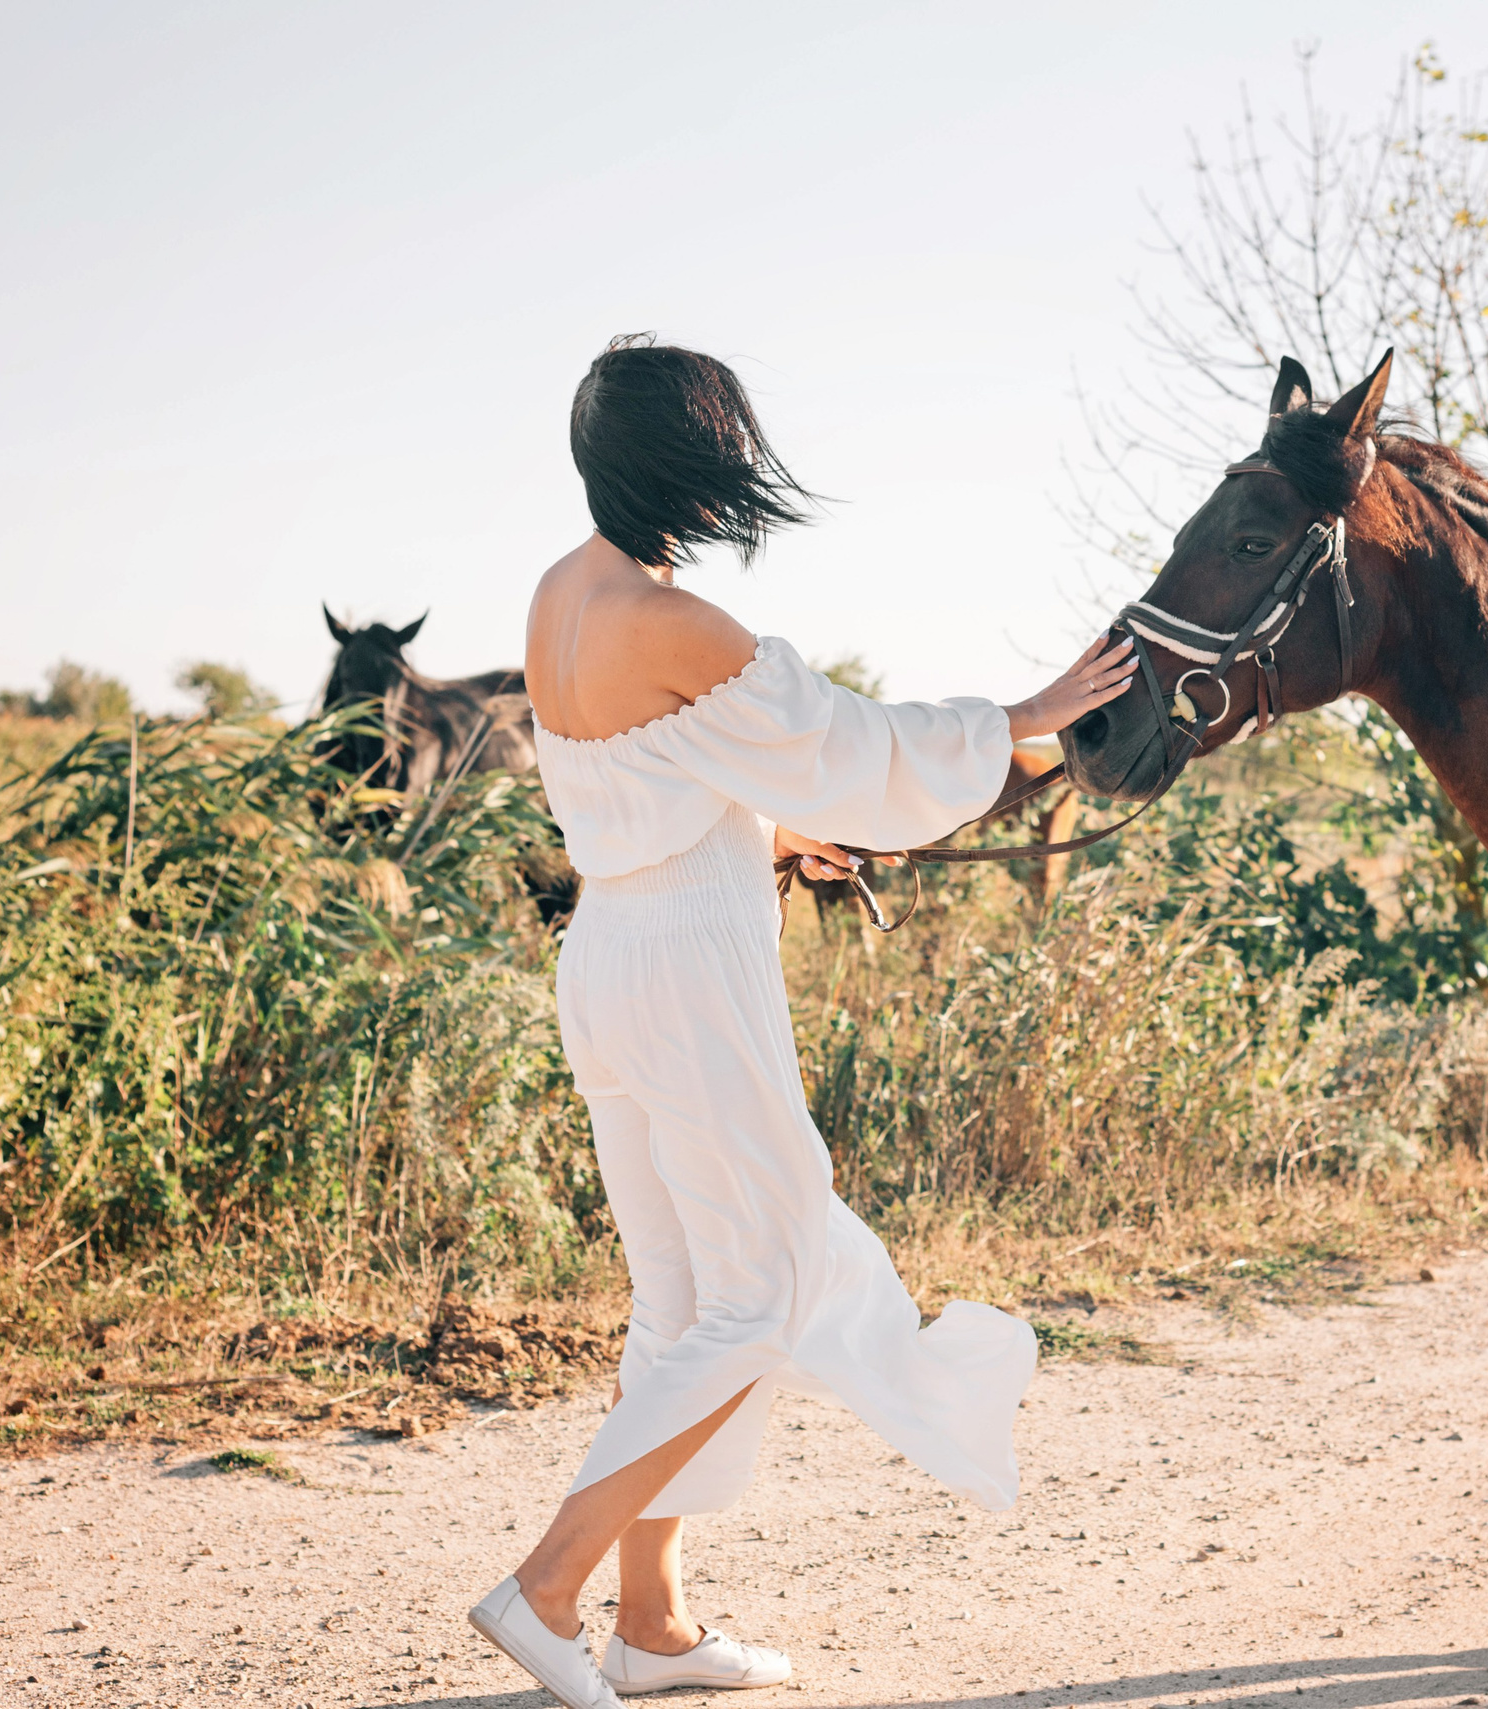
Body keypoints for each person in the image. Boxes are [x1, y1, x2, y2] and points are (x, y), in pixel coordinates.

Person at [469, 335, 1138, 1707]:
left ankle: (647, 1623)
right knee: (768, 1292)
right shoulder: (683, 627)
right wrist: (1031, 711)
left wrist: (770, 840)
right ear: (694, 469)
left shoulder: (560, 597)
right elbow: (852, 750)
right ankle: (546, 1587)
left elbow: (649, 776)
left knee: (688, 1301)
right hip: (689, 981)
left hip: (611, 954)